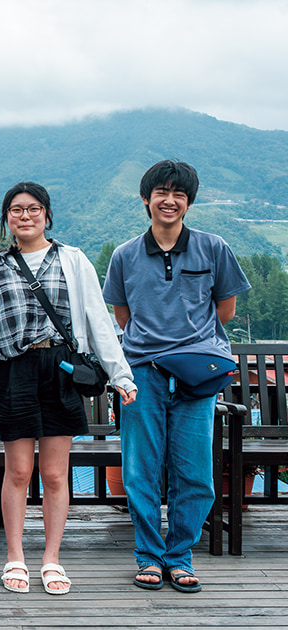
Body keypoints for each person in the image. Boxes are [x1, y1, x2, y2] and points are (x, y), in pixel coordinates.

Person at [0, 182, 136, 596]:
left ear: (47, 215)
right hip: (13, 371)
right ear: (6, 219)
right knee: (17, 471)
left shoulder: (73, 260)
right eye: (16, 210)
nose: (25, 216)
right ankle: (14, 556)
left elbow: (98, 319)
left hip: (60, 368)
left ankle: (51, 558)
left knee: (55, 473)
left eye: (33, 209)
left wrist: (121, 375)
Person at [102, 160, 250, 593]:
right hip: (143, 373)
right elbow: (123, 317)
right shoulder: (125, 255)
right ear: (146, 199)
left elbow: (226, 309)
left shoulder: (213, 247)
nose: (170, 200)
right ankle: (149, 555)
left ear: (189, 202)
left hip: (197, 376)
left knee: (195, 472)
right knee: (140, 470)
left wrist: (190, 346)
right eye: (161, 192)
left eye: (179, 194)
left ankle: (180, 556)